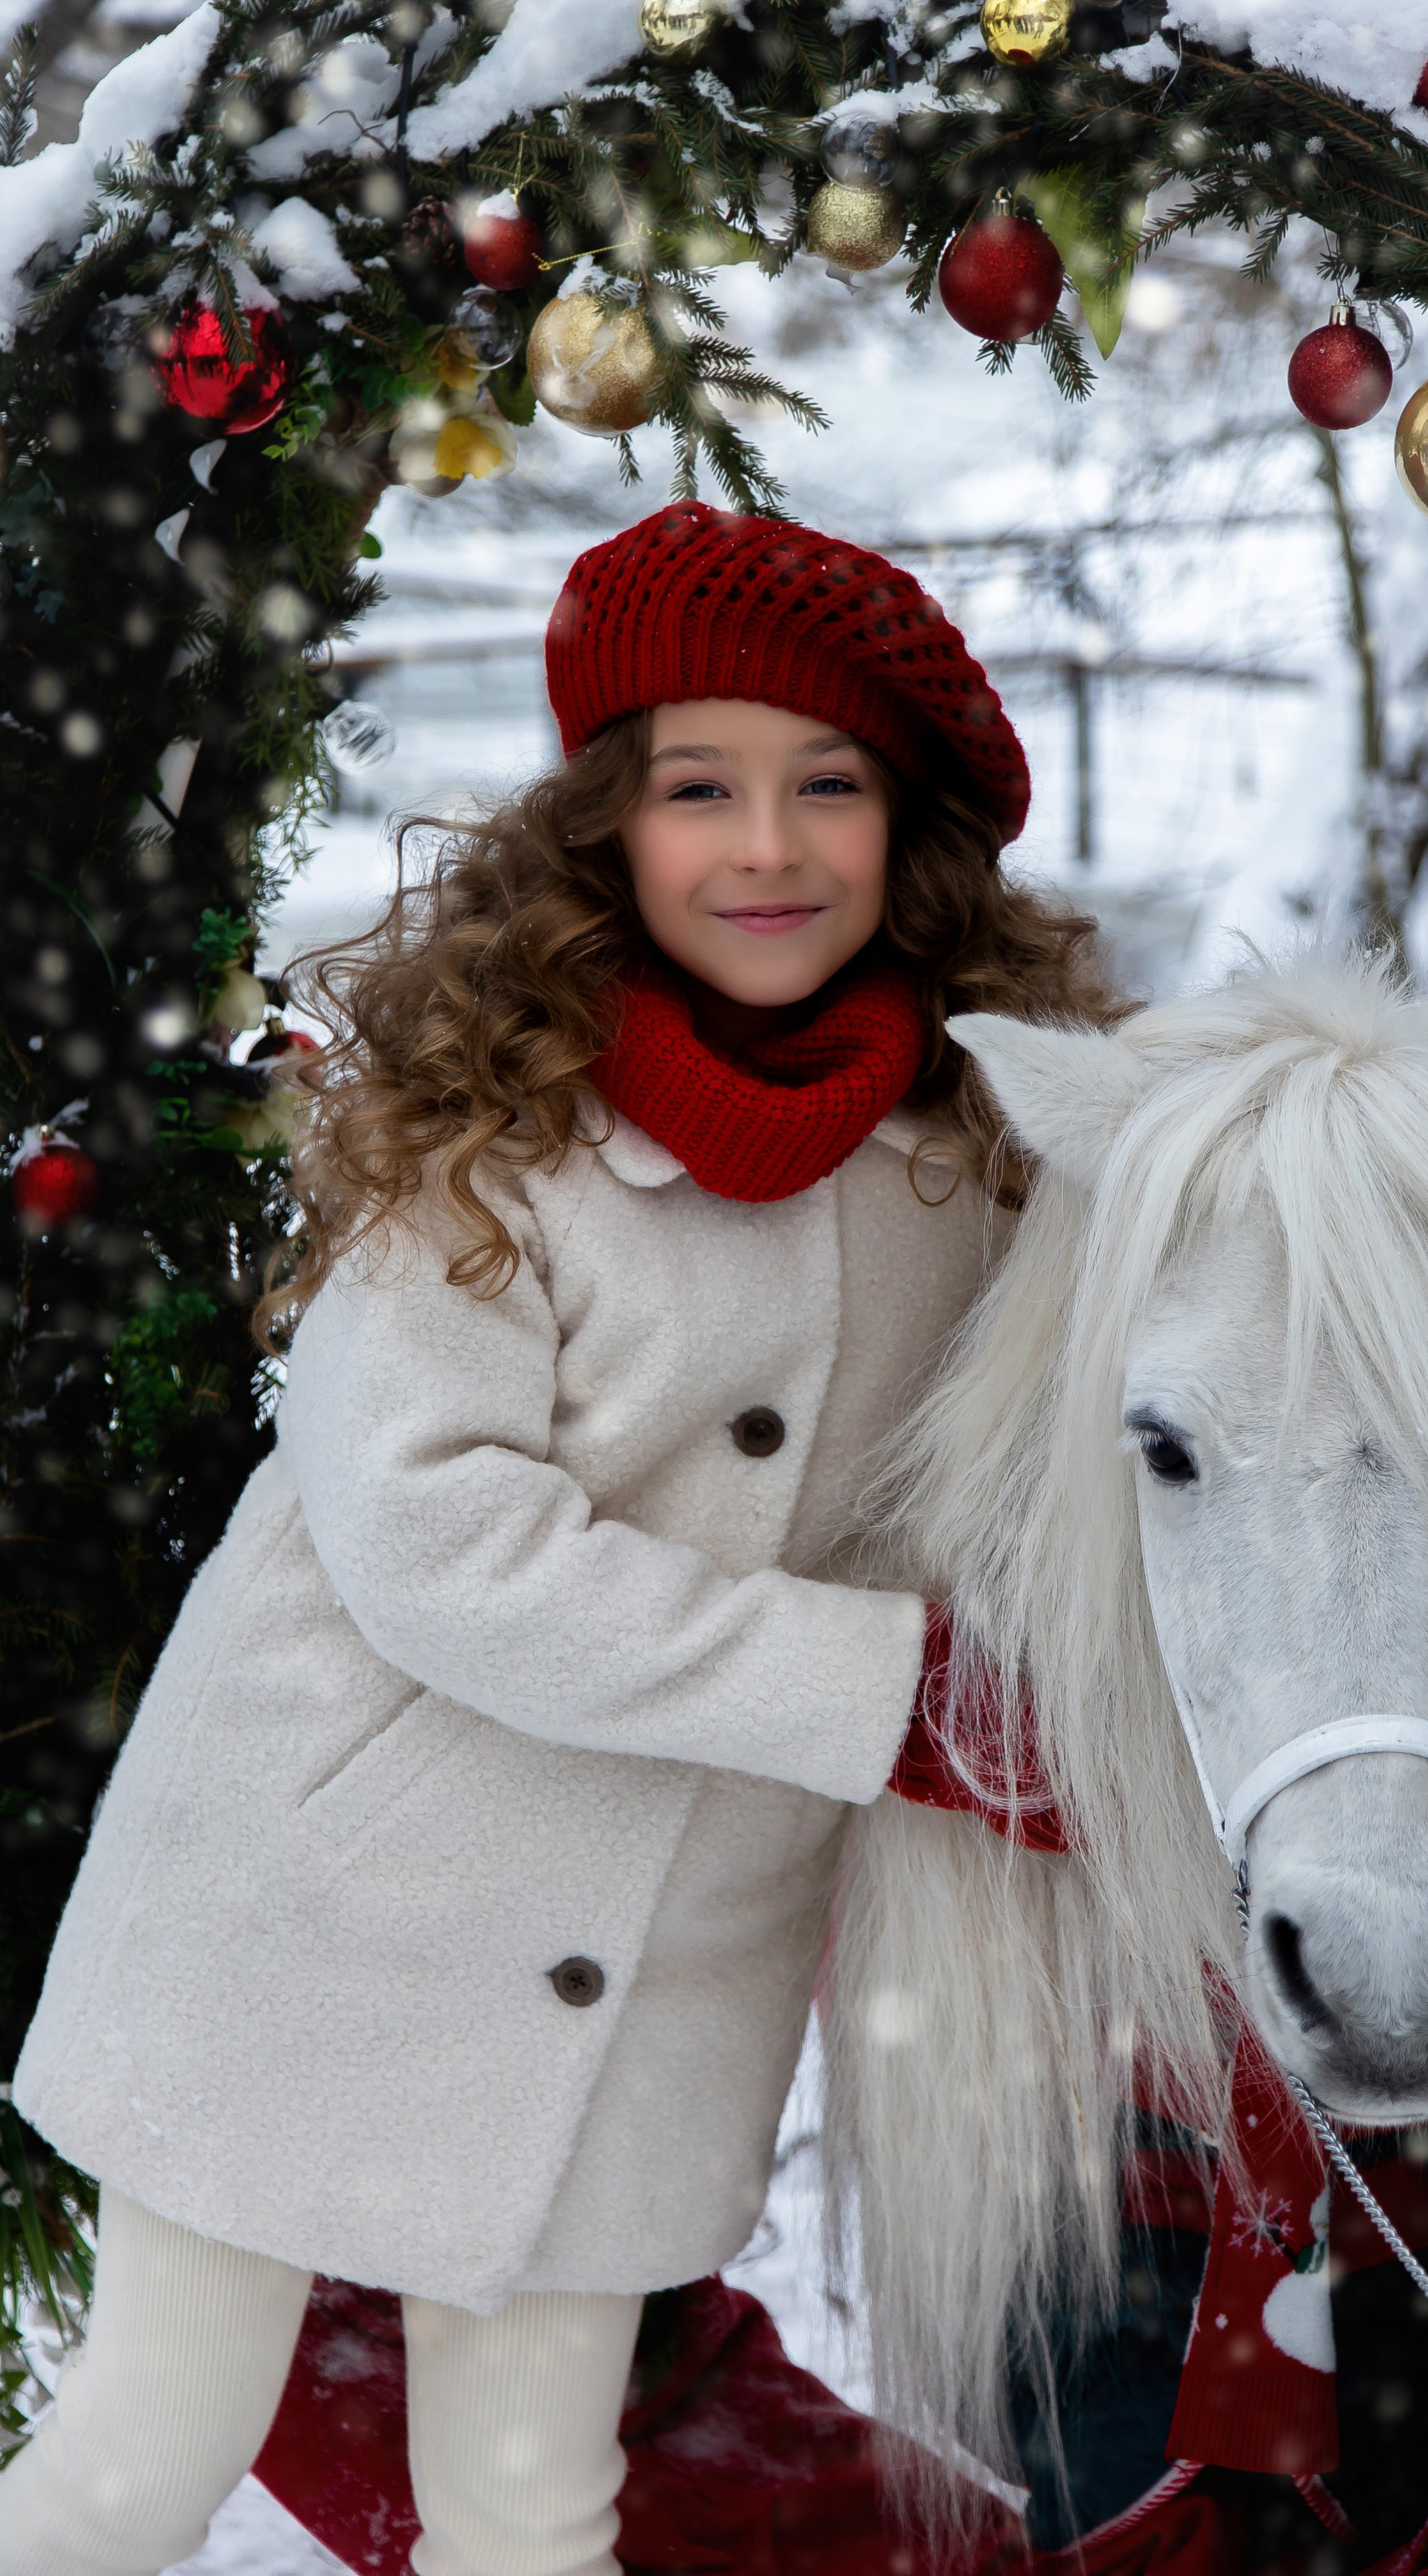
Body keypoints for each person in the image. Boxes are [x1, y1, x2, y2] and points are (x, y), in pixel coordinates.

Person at [0, 501, 1122, 2576]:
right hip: (311, 1912)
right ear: (608, 822)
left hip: (648, 1978)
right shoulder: (482, 1128)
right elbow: (438, 1544)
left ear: (913, 831)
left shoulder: (984, 1159)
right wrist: (894, 1699)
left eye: (830, 789)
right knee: (135, 2464)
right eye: (702, 788)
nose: (766, 849)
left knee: (534, 2511)